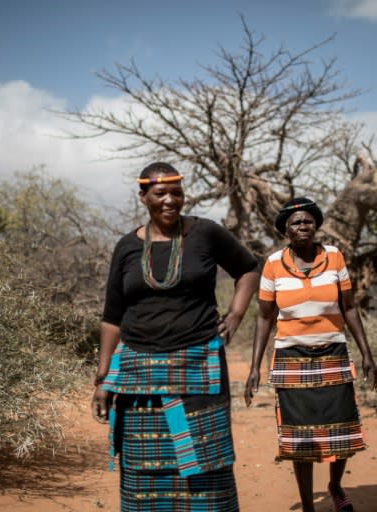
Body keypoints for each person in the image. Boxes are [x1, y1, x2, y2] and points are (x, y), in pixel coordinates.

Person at [91, 162, 259, 512]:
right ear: (143, 198)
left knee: (205, 457)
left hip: (197, 364)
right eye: (160, 194)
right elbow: (112, 317)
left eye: (177, 193)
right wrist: (104, 377)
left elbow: (248, 268)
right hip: (138, 371)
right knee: (143, 466)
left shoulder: (206, 233)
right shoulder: (126, 247)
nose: (170, 200)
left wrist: (236, 315)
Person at [244, 197, 377, 512]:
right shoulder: (274, 263)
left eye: (307, 221)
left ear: (316, 225)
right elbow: (264, 317)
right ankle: (307, 505)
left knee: (342, 427)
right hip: (290, 357)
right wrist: (254, 367)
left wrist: (367, 354)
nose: (302, 227)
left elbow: (348, 307)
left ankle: (334, 485)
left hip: (333, 351)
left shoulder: (334, 257)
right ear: (285, 230)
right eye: (295, 223)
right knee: (299, 438)